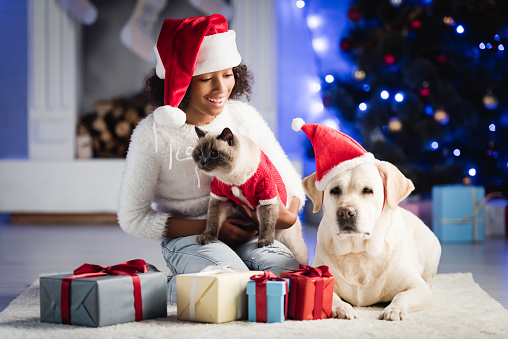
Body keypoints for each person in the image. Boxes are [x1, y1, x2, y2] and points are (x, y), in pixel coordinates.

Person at [117, 14, 306, 303]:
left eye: (228, 74)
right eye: (206, 79)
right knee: (231, 290)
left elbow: (290, 183)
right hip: (191, 238)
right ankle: (153, 285)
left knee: (291, 282)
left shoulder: (243, 117)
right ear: (183, 82)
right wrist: (212, 226)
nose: (221, 88)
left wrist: (288, 212)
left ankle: (196, 282)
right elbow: (133, 218)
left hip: (249, 234)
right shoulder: (152, 135)